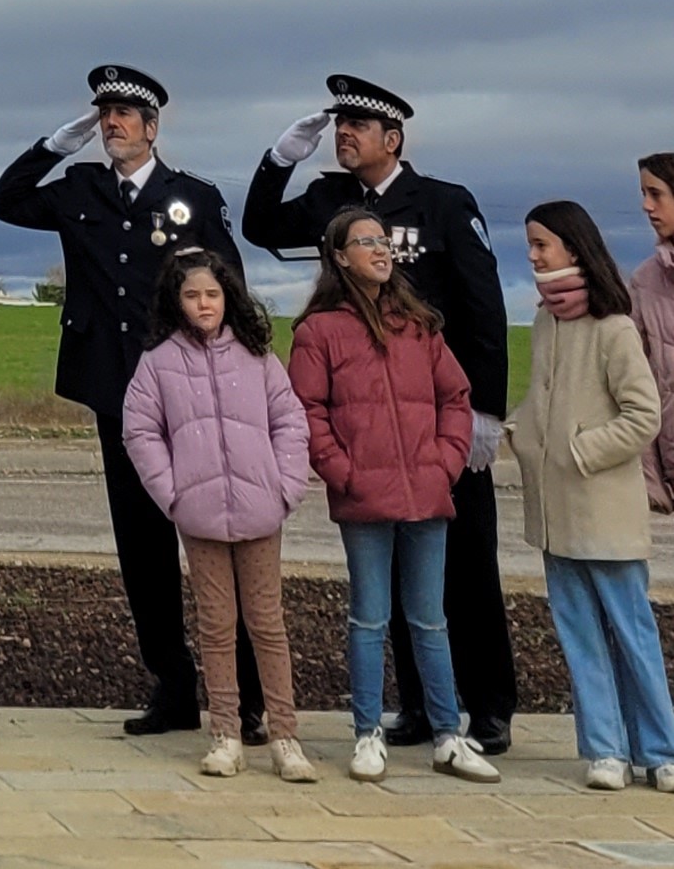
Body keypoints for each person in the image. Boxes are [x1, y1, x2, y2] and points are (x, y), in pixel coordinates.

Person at [243, 71, 511, 753]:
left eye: (355, 127)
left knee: (465, 564)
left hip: (438, 423)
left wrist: (484, 409)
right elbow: (258, 225)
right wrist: (279, 160)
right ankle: (419, 707)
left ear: (392, 137)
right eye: (337, 126)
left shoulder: (444, 202)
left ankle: (487, 705)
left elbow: (483, 307)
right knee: (391, 578)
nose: (342, 136)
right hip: (369, 426)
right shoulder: (332, 200)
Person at [0, 62, 257, 739]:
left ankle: (248, 695)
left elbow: (229, 284)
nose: (111, 122)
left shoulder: (188, 194)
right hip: (115, 388)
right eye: (103, 111)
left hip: (187, 391)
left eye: (124, 113)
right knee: (140, 548)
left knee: (215, 539)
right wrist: (56, 142)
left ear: (151, 126)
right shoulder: (78, 185)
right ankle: (171, 686)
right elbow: (4, 201)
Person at [288, 199, 493, 786]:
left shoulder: (418, 325)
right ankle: (367, 733)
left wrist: (446, 462)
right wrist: (340, 469)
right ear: (339, 257)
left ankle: (449, 736)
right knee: (369, 618)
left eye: (384, 240)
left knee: (430, 620)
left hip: (426, 494)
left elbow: (456, 398)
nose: (381, 249)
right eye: (366, 241)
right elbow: (307, 410)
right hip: (364, 497)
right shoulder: (319, 331)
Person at [117, 241, 316, 788]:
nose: (204, 304)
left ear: (228, 297)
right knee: (216, 626)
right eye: (192, 295)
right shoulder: (158, 363)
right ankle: (225, 734)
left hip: (261, 511)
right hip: (199, 515)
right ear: (175, 301)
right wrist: (174, 494)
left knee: (267, 624)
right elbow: (139, 431)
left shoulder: (258, 357)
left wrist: (285, 488)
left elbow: (290, 421)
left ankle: (285, 735)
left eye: (212, 294)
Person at [506, 199, 674, 794]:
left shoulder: (615, 326)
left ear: (573, 249)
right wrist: (522, 436)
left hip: (604, 510)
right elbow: (542, 402)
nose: (532, 254)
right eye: (530, 243)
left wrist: (578, 452)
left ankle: (660, 750)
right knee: (578, 635)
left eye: (541, 244)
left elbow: (642, 416)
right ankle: (605, 750)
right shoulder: (547, 321)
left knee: (631, 632)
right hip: (553, 513)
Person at [632, 156, 674, 514]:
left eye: (656, 194)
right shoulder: (645, 281)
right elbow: (637, 385)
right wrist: (651, 478)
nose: (647, 206)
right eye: (644, 193)